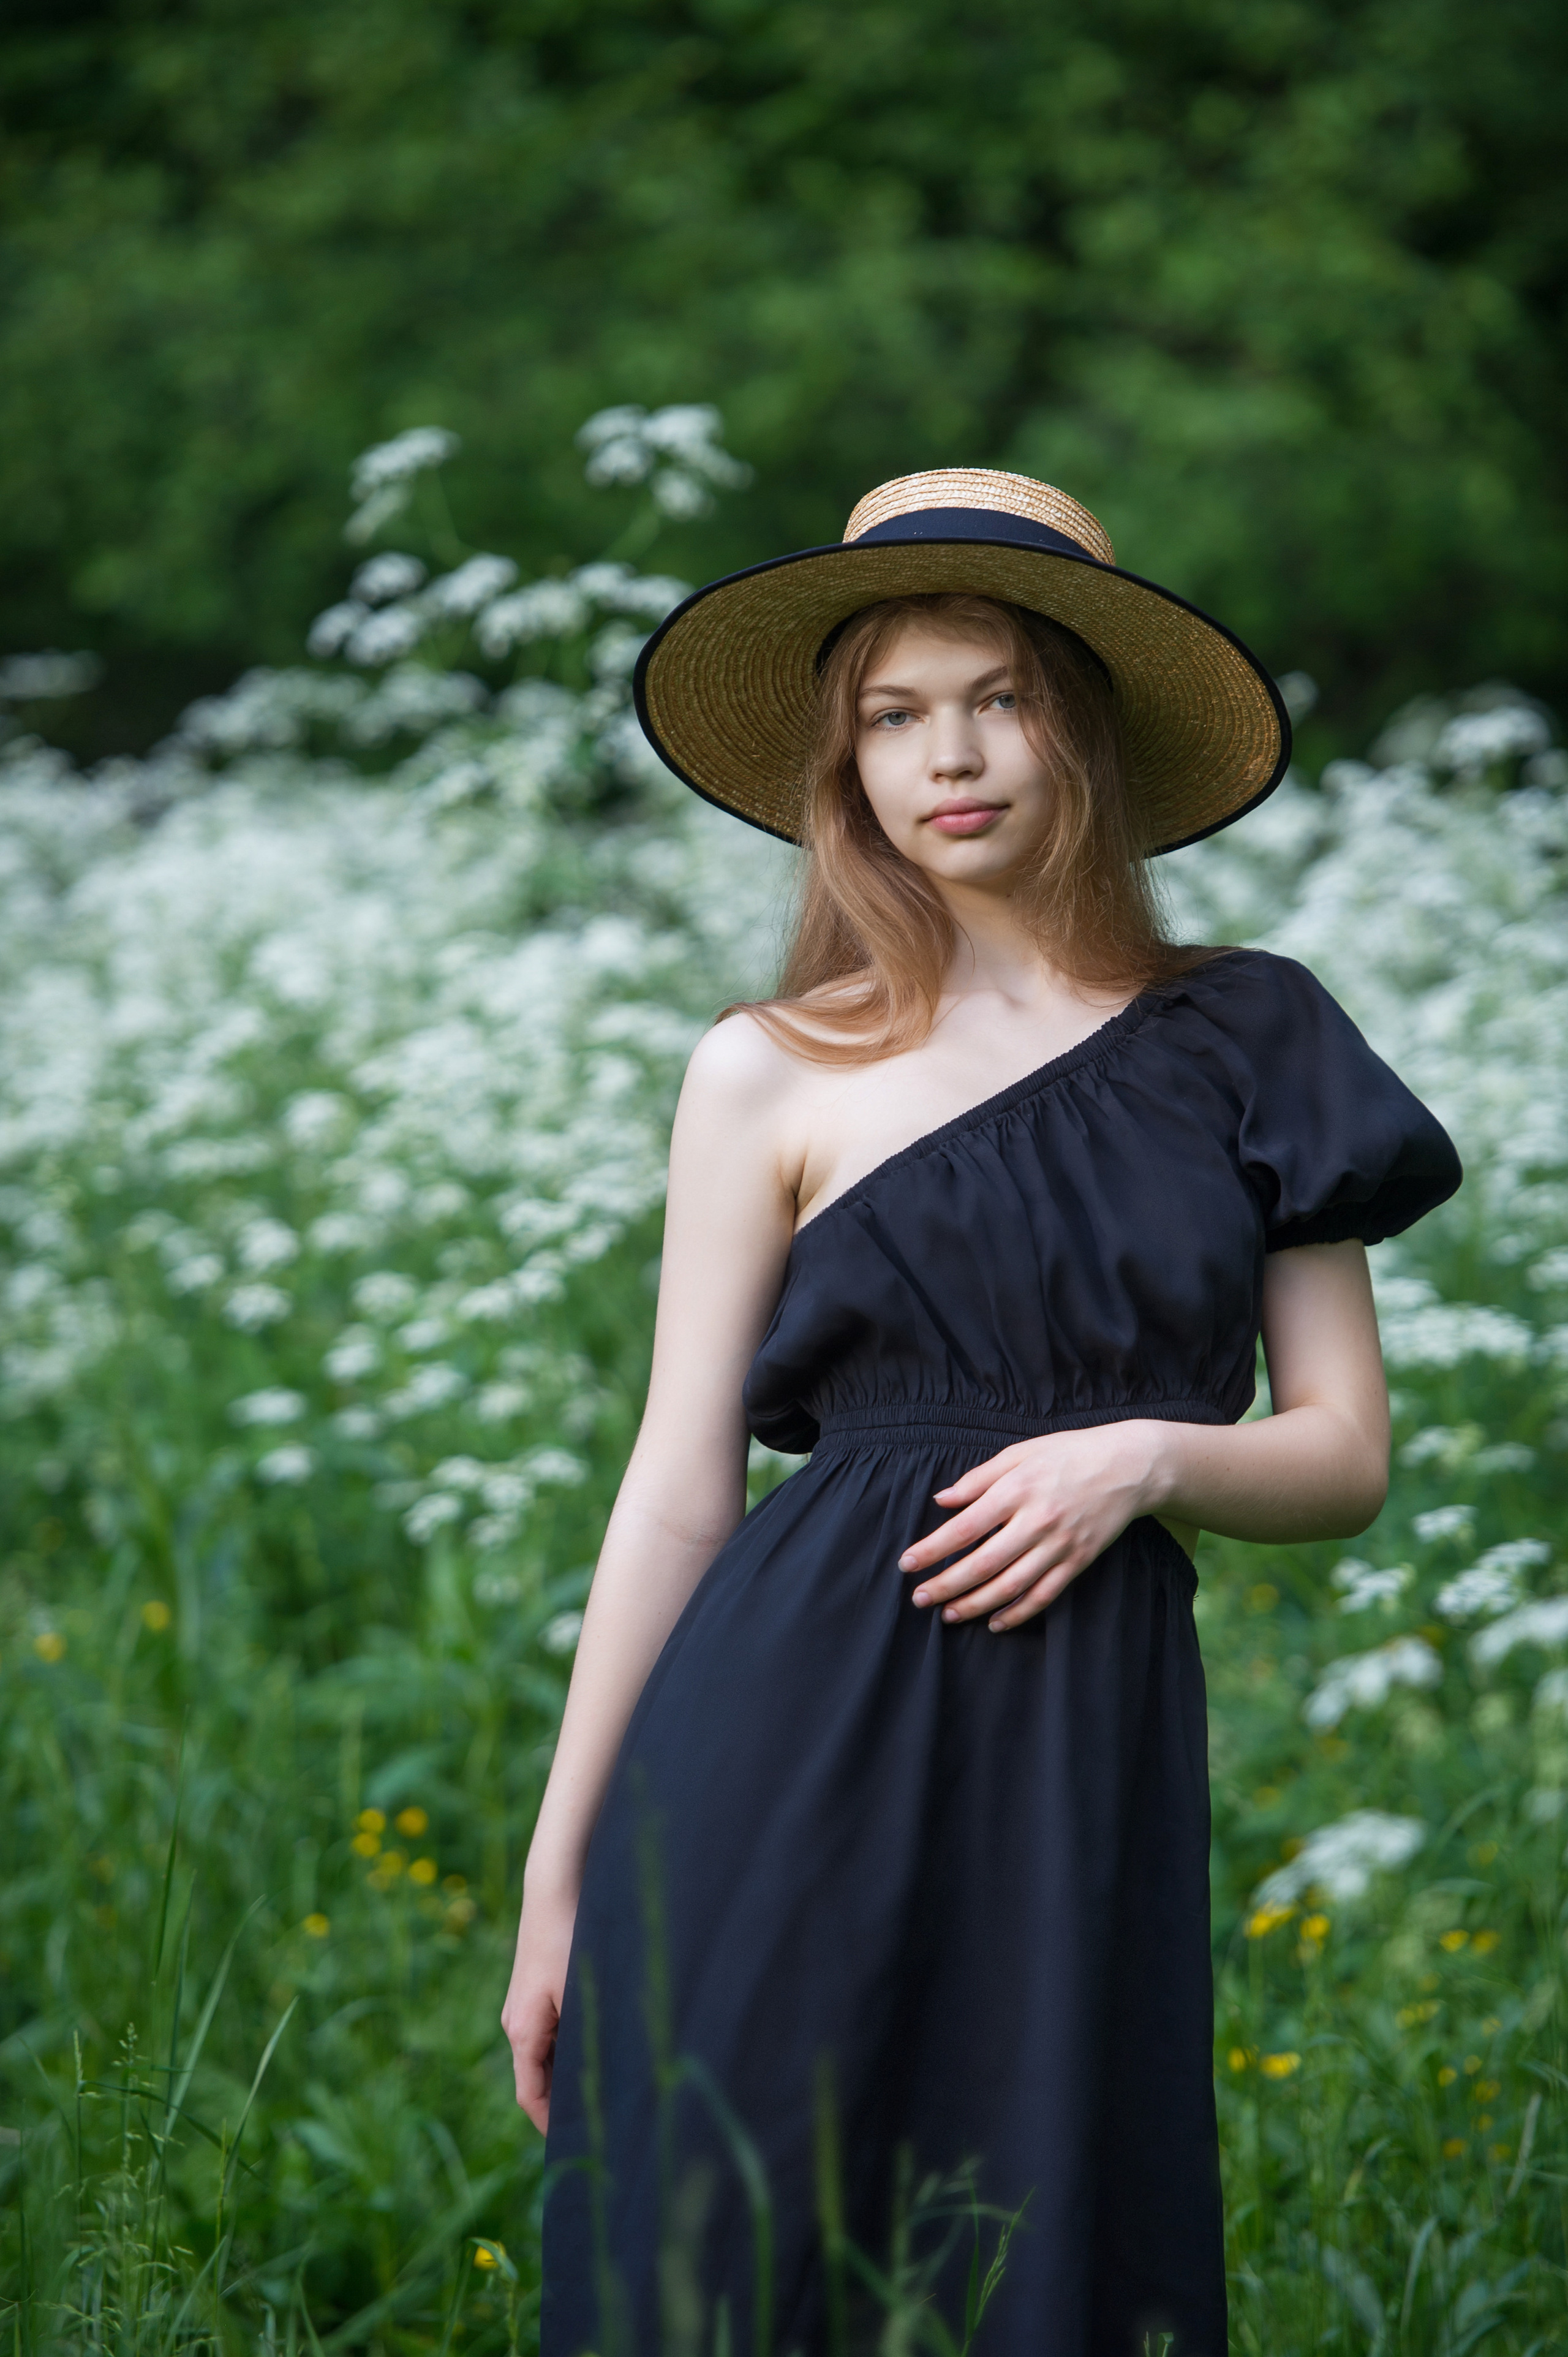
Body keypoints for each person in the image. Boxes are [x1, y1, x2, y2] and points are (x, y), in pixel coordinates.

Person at [502, 471, 1461, 2355]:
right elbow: (681, 1488)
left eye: (1001, 697)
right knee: (726, 2237)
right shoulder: (766, 1070)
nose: (953, 754)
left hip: (1076, 1733)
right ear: (843, 763)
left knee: (1037, 2234)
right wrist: (560, 1878)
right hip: (777, 1724)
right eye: (894, 713)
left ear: (1081, 728)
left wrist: (1152, 1455)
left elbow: (1344, 1451)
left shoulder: (1256, 1035)